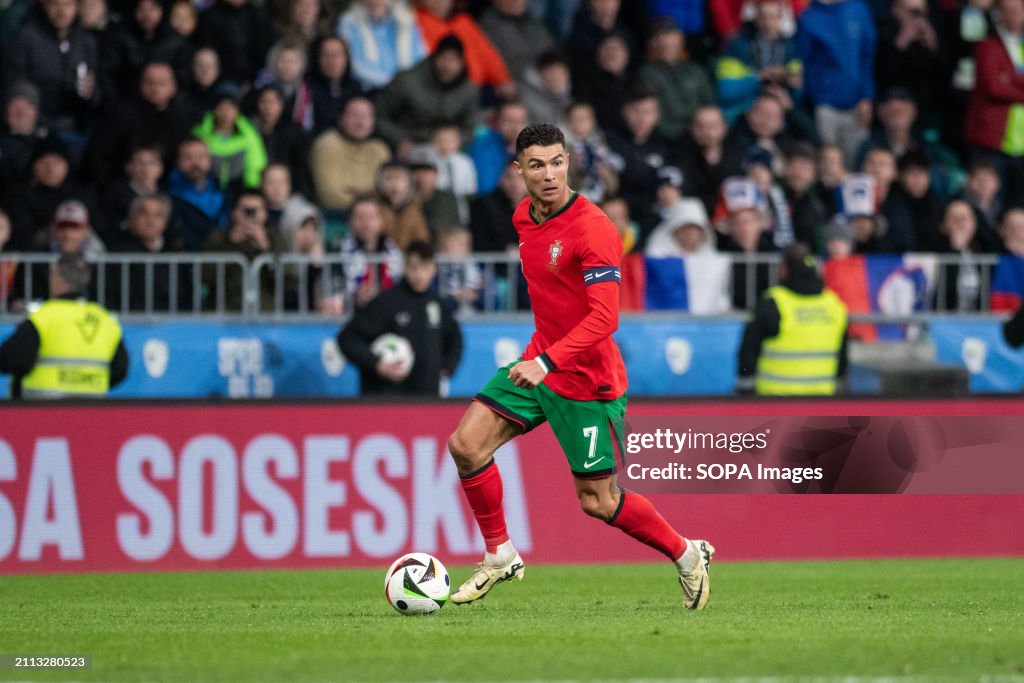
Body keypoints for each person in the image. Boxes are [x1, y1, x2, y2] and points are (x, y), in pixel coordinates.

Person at [445, 122, 715, 609]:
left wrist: (547, 362)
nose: (548, 174)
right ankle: (500, 553)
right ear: (518, 170)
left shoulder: (593, 228)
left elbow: (605, 317)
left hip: (586, 380)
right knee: (466, 446)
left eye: (557, 162)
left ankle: (687, 553)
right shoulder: (523, 217)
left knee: (599, 502)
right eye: (536, 165)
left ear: (568, 161)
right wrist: (541, 360)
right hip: (538, 362)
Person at [337, 240, 462, 395]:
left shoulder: (438, 304)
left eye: (425, 267)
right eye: (414, 267)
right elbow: (347, 338)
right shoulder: (386, 302)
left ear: (434, 269)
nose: (419, 274)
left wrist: (447, 368)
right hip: (388, 399)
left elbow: (455, 338)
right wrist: (377, 364)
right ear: (405, 267)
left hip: (428, 400)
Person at [0, 252, 128, 399]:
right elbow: (120, 370)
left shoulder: (43, 316)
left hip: (40, 409)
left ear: (56, 277)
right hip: (91, 410)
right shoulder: (106, 319)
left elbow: (10, 359)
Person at [737, 242, 848, 396]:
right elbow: (842, 358)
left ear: (784, 268)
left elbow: (748, 350)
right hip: (821, 402)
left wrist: (745, 389)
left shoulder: (773, 303)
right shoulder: (835, 305)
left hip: (776, 401)